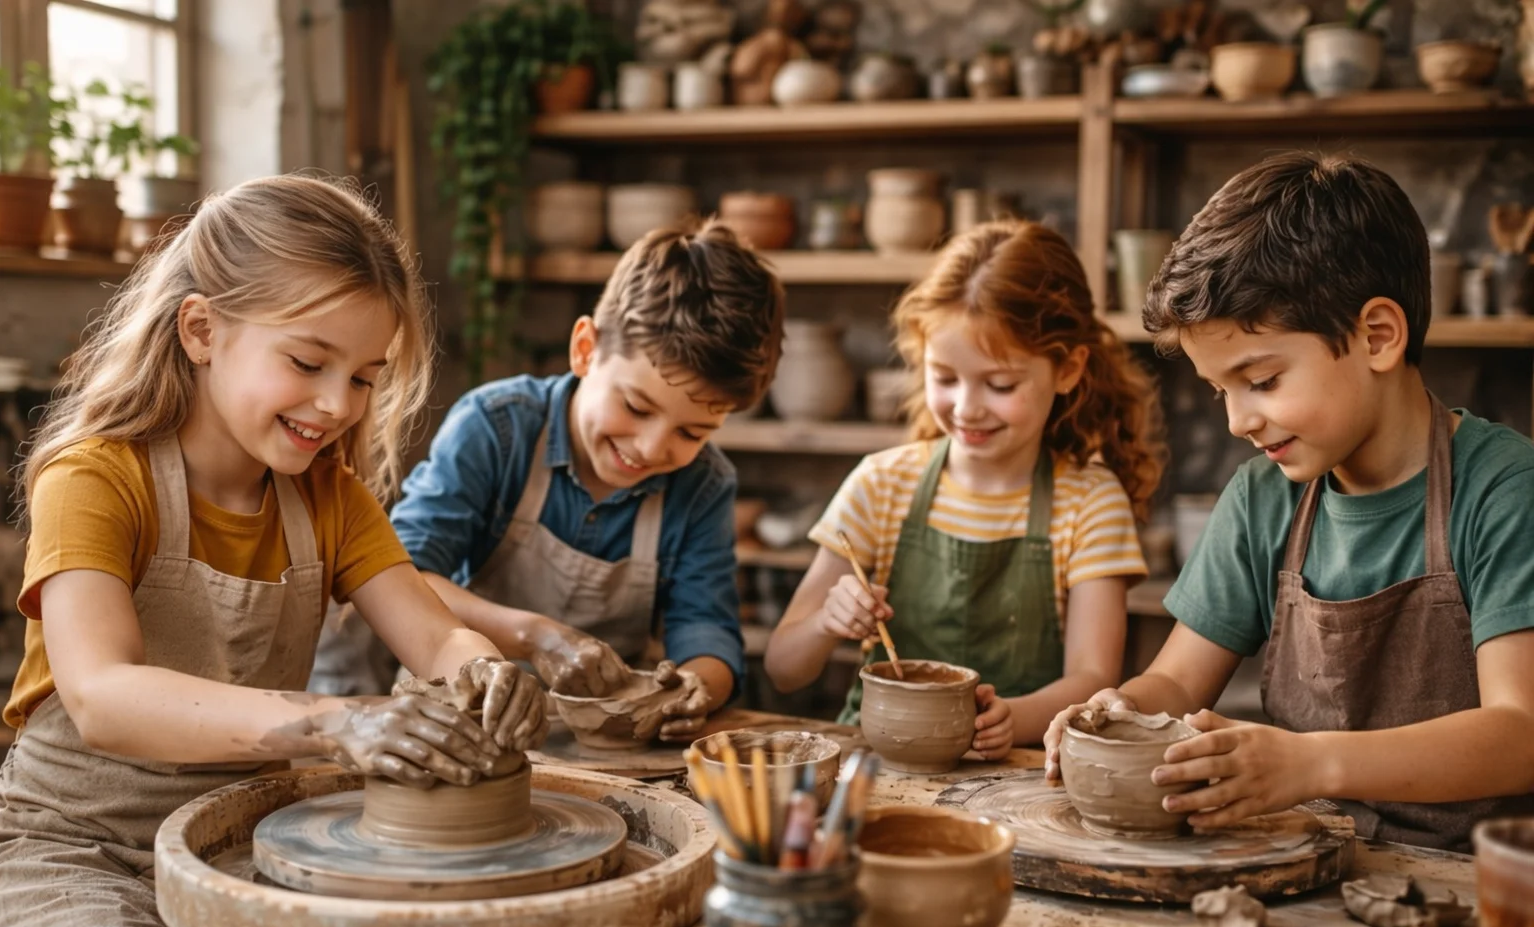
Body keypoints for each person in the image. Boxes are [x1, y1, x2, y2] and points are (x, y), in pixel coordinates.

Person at [0, 175, 546, 927]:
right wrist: (336, 722)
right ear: (202, 329)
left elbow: (437, 642)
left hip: (243, 845)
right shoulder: (98, 479)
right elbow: (101, 695)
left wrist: (487, 676)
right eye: (307, 362)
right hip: (77, 856)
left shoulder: (331, 499)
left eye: (366, 376)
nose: (337, 404)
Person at [1043, 153, 1534, 851]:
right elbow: (1178, 681)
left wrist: (1310, 761)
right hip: (1307, 856)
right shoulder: (1263, 498)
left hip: (1476, 877)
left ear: (1377, 336)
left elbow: (1521, 733)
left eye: (1263, 380)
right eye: (1222, 392)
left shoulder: (1504, 490)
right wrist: (1120, 709)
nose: (1238, 421)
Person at [370, 220, 785, 741]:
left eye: (693, 431)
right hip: (459, 717)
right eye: (636, 406)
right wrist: (535, 636)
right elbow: (400, 581)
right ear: (585, 349)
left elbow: (707, 629)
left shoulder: (702, 483)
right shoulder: (497, 429)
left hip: (601, 736)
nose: (651, 447)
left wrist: (694, 687)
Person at [766, 221, 1165, 752]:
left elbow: (1093, 678)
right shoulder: (880, 486)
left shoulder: (1090, 502)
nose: (967, 407)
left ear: (1067, 370)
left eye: (1000, 384)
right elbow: (783, 670)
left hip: (1017, 768)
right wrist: (824, 623)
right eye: (945, 378)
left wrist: (1013, 718)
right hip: (878, 761)